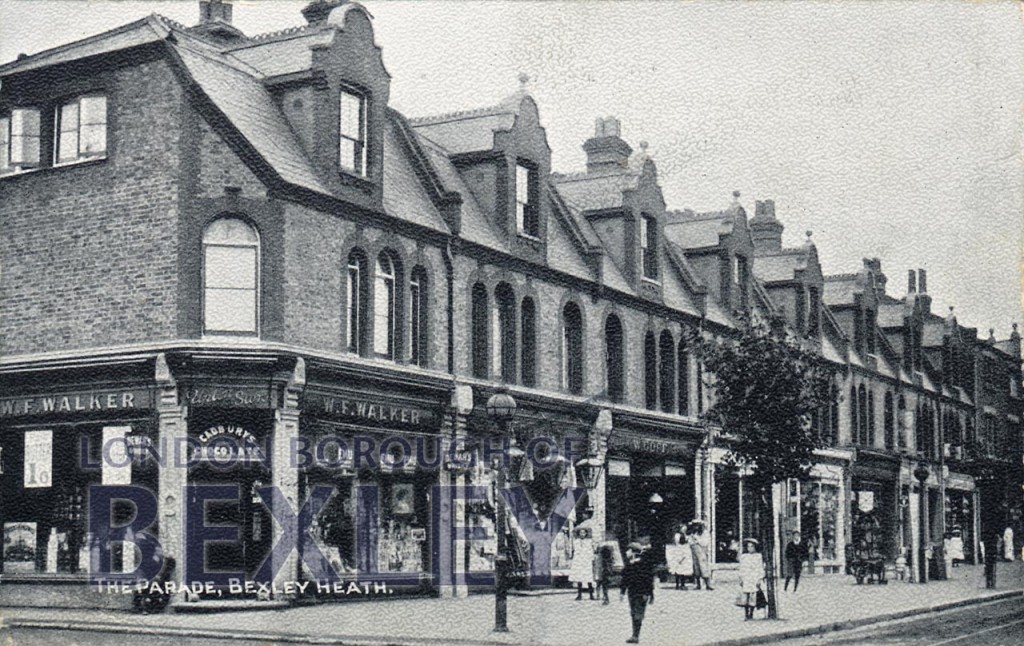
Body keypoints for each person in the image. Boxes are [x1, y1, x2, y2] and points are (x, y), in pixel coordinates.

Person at [620, 542, 655, 643]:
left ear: (633, 552)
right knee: (634, 612)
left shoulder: (643, 565)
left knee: (637, 613)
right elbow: (625, 580)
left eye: (629, 550)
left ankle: (635, 635)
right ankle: (635, 634)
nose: (627, 552)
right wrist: (622, 592)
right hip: (632, 592)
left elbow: (649, 580)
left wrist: (650, 594)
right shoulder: (629, 565)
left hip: (641, 593)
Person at [737, 538, 764, 621]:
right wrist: (741, 578)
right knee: (745, 595)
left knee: (753, 596)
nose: (750, 548)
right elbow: (741, 568)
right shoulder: (744, 556)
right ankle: (746, 613)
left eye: (752, 546)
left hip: (754, 577)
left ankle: (751, 614)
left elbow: (760, 568)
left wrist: (759, 579)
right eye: (748, 547)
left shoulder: (758, 556)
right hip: (746, 577)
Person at [569, 524, 596, 600]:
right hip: (579, 561)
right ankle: (579, 595)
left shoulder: (589, 541)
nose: (582, 534)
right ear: (579, 534)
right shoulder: (576, 541)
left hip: (586, 561)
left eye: (584, 533)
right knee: (579, 578)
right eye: (581, 533)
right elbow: (576, 551)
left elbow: (590, 551)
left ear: (586, 533)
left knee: (589, 578)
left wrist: (591, 559)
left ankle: (591, 595)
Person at [688, 521, 713, 590]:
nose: (696, 527)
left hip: (702, 552)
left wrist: (697, 539)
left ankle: (708, 584)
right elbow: (690, 542)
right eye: (694, 526)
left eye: (697, 525)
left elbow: (705, 543)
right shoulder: (692, 533)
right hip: (694, 552)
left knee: (704, 568)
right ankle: (698, 584)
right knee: (696, 568)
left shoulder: (704, 533)